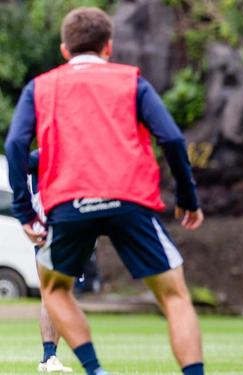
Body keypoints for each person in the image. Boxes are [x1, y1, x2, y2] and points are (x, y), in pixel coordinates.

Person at [5, 7, 205, 375]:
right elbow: (173, 139)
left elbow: (16, 144)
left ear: (65, 50)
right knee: (175, 296)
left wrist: (24, 212)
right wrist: (188, 199)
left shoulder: (41, 86)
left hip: (69, 204)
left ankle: (94, 369)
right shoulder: (132, 82)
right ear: (108, 47)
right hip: (127, 199)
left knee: (54, 289)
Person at [27, 150, 73, 373]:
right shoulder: (41, 155)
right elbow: (21, 160)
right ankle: (48, 356)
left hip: (67, 230)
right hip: (51, 230)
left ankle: (50, 357)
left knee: (60, 295)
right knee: (52, 293)